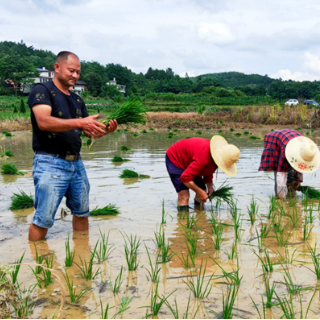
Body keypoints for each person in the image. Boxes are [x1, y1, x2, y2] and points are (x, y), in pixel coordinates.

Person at [27, 51, 118, 242]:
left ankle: (81, 256)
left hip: (76, 164)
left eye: (78, 72)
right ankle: (34, 262)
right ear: (57, 67)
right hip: (50, 162)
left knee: (82, 212)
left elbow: (88, 131)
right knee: (43, 218)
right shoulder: (42, 90)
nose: (75, 76)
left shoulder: (77, 100)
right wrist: (79, 122)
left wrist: (105, 131)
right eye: (71, 70)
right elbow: (43, 121)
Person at [166, 136, 240, 211]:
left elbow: (209, 169)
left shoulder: (214, 156)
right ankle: (183, 221)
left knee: (203, 190)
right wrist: (200, 192)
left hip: (192, 160)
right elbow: (185, 178)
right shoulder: (202, 159)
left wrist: (210, 186)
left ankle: (199, 215)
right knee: (184, 195)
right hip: (176, 159)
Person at [259, 129, 320, 199]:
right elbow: (280, 175)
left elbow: (301, 165)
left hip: (292, 139)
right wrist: (282, 200)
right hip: (274, 141)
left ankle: (291, 197)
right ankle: (279, 198)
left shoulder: (307, 148)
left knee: (291, 180)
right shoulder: (285, 151)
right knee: (279, 176)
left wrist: (297, 180)